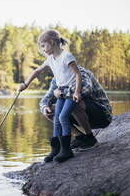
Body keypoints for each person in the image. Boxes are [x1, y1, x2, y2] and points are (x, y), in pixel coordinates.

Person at [19, 29, 85, 163]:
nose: (42, 49)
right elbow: (37, 71)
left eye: (43, 46)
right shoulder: (50, 59)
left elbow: (78, 75)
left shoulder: (67, 57)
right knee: (56, 119)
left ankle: (67, 151)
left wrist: (77, 92)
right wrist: (26, 84)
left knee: (63, 116)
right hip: (61, 93)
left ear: (51, 42)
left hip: (71, 92)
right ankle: (56, 149)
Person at [39, 66, 112, 153]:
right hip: (84, 116)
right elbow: (45, 100)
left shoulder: (79, 71)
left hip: (102, 115)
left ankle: (90, 139)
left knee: (73, 100)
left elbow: (86, 89)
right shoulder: (57, 79)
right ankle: (80, 138)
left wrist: (62, 93)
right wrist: (44, 107)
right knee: (51, 110)